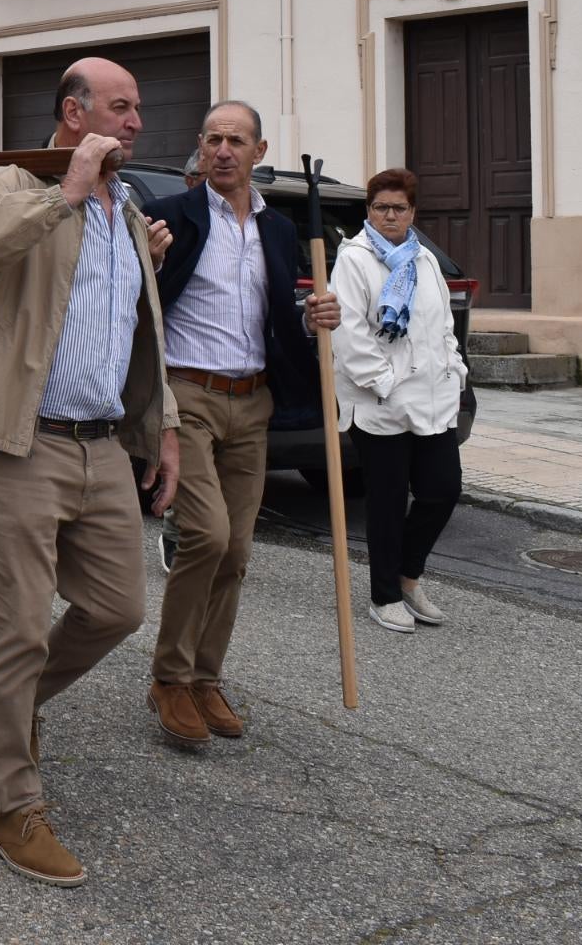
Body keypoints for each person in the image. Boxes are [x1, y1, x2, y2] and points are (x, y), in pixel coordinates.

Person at [0, 58, 180, 887]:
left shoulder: (130, 205)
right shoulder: (9, 180)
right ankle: (13, 806)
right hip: (17, 440)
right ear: (75, 115)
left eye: (138, 105)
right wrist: (62, 195)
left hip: (102, 442)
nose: (138, 120)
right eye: (122, 105)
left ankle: (15, 706)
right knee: (20, 625)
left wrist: (165, 428)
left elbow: (135, 328)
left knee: (118, 607)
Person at [140, 101, 334, 748]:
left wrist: (314, 319)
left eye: (236, 140)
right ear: (200, 148)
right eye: (213, 139)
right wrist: (152, 263)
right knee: (207, 534)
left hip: (253, 402)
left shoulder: (277, 231)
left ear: (259, 150)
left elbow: (279, 313)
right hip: (187, 394)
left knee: (239, 550)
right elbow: (137, 298)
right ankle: (169, 676)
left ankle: (203, 676)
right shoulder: (171, 217)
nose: (223, 150)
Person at [328, 169, 465, 634]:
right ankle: (385, 595)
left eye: (399, 208)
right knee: (386, 504)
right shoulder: (355, 259)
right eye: (381, 207)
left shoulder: (424, 259)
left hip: (434, 399)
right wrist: (384, 383)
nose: (390, 215)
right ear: (369, 211)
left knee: (442, 490)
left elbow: (442, 325)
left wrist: (456, 371)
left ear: (413, 213)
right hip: (380, 404)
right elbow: (349, 334)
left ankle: (409, 578)